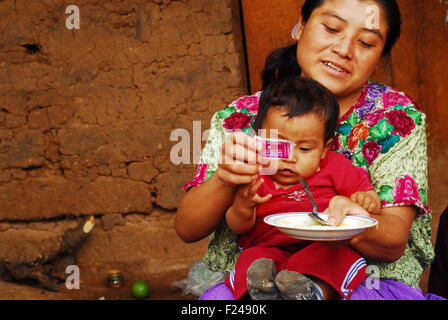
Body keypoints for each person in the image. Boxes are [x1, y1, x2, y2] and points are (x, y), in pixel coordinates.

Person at [175, 0, 443, 300]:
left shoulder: (394, 117)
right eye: (331, 28)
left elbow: (392, 242)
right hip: (266, 264)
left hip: (366, 282)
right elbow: (187, 229)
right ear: (301, 25)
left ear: (379, 56)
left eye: (366, 42)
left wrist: (357, 218)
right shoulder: (242, 117)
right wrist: (226, 179)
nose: (344, 49)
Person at [225, 76, 380, 300]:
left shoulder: (335, 166)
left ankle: (314, 293)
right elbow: (238, 227)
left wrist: (366, 200)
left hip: (321, 245)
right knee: (252, 260)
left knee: (340, 256)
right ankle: (258, 295)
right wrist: (243, 206)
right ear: (259, 139)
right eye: (278, 146)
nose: (289, 157)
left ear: (325, 149)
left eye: (305, 149)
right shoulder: (253, 172)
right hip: (268, 248)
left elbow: (369, 199)